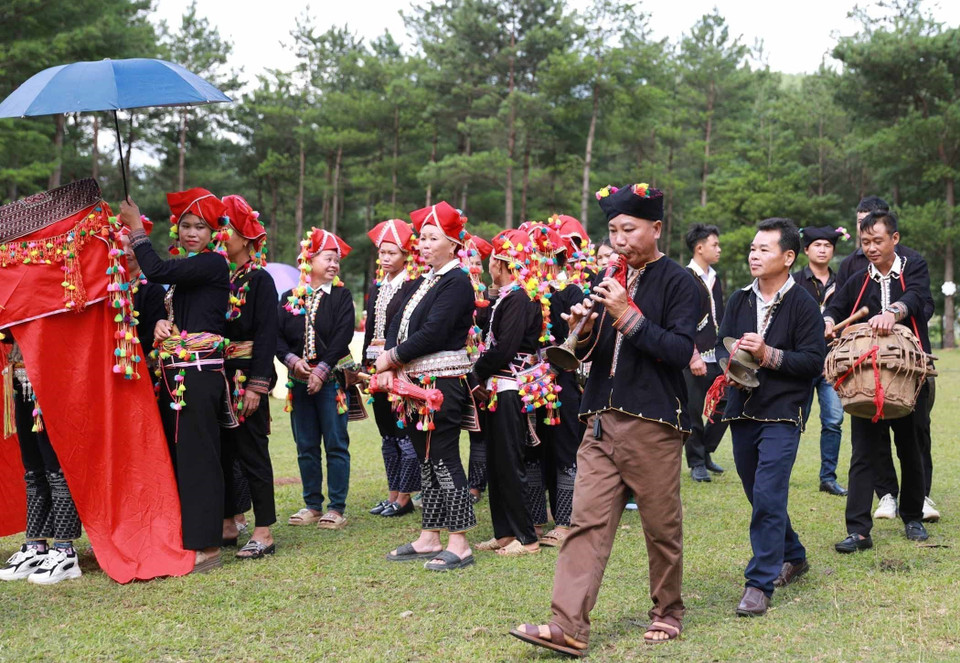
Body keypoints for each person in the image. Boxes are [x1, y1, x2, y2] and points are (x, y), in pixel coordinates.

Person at [511, 182, 697, 654]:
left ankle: (668, 611)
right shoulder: (607, 276)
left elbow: (679, 351)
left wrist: (625, 313)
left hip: (653, 423)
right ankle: (568, 626)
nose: (619, 240)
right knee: (585, 523)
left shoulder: (680, 282)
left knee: (660, 527)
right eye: (613, 230)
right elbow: (595, 355)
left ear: (656, 228)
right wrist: (585, 328)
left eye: (629, 230)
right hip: (597, 419)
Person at [715, 218, 825, 617]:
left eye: (764, 249)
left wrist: (767, 355)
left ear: (788, 256)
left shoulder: (804, 304)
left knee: (768, 493)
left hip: (783, 412)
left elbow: (813, 361)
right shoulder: (738, 299)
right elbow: (721, 345)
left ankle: (758, 584)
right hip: (742, 409)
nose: (754, 255)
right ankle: (793, 553)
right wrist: (729, 366)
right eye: (752, 248)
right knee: (757, 491)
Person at [121, 190, 233, 574]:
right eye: (185, 225)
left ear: (213, 233)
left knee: (199, 458)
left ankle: (208, 546)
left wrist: (136, 228)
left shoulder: (212, 263)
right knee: (182, 457)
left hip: (198, 374)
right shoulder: (187, 271)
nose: (191, 233)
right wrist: (161, 324)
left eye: (200, 226)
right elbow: (182, 313)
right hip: (177, 375)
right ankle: (187, 536)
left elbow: (154, 270)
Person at [824, 209, 935, 553]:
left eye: (877, 241)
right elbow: (837, 307)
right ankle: (858, 530)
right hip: (866, 377)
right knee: (863, 451)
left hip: (908, 374)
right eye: (865, 242)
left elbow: (918, 298)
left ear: (894, 239)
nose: (870, 248)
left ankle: (913, 516)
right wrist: (827, 319)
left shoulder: (913, 266)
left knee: (910, 446)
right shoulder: (859, 278)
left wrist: (894, 312)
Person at [378, 201, 477, 572]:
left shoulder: (457, 281)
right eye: (421, 238)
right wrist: (390, 359)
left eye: (433, 238)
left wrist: (392, 357)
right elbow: (395, 319)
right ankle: (429, 535)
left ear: (453, 244)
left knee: (444, 457)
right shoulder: (425, 280)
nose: (423, 244)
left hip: (443, 382)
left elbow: (434, 332)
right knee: (426, 459)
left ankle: (460, 542)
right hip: (414, 382)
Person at [470, 229, 544, 556]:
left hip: (510, 387)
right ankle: (504, 533)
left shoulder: (520, 299)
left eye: (491, 261)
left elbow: (505, 349)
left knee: (511, 463)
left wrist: (475, 373)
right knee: (497, 462)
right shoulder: (508, 297)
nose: (489, 266)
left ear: (500, 263)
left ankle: (527, 538)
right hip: (498, 387)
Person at [277, 228, 355, 531]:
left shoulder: (341, 296)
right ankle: (311, 504)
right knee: (306, 445)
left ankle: (336, 508)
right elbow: (276, 337)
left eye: (336, 260)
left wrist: (322, 370)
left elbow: (342, 336)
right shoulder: (288, 298)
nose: (334, 265)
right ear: (308, 260)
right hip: (298, 383)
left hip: (331, 382)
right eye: (328, 258)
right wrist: (291, 361)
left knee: (336, 444)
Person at [217, 195, 279, 559]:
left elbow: (267, 335)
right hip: (219, 376)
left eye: (227, 229)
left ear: (245, 238)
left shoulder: (260, 280)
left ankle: (263, 530)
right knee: (223, 452)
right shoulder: (220, 278)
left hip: (245, 377)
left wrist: (258, 384)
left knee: (252, 452)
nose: (220, 236)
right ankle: (228, 523)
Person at [0, 339, 83, 584]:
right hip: (20, 373)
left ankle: (65, 552)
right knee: (33, 468)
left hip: (51, 372)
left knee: (55, 466)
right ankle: (36, 546)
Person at [526, 222, 587, 548]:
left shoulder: (572, 292)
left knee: (565, 450)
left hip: (561, 379)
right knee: (533, 449)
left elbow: (572, 339)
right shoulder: (526, 292)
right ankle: (537, 519)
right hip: (529, 380)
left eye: (540, 256)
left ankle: (565, 521)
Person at [362, 218, 420, 519]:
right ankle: (392, 493)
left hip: (399, 364)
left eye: (392, 253)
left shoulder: (412, 285)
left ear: (406, 255)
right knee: (386, 431)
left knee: (402, 430)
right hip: (376, 366)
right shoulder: (378, 286)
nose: (385, 258)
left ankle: (405, 496)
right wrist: (365, 364)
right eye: (382, 253)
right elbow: (370, 328)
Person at [793, 225, 848, 496]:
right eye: (817, 245)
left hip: (833, 364)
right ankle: (779, 471)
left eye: (828, 245)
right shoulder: (794, 281)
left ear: (833, 251)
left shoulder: (843, 283)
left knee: (834, 421)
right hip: (801, 363)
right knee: (793, 420)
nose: (823, 250)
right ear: (806, 250)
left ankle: (828, 477)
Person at [683, 223, 728, 483]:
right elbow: (681, 320)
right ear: (700, 248)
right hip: (694, 355)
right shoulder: (685, 277)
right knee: (693, 409)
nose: (719, 249)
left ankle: (706, 449)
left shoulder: (715, 278)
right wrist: (693, 355)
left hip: (717, 354)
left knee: (727, 401)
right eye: (715, 245)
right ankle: (697, 462)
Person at [461, 233, 493, 503]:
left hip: (479, 369)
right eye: (467, 260)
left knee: (479, 430)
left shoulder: (489, 297)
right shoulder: (452, 289)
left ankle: (476, 485)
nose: (472, 266)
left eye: (476, 262)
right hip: (453, 366)